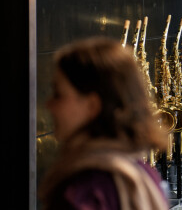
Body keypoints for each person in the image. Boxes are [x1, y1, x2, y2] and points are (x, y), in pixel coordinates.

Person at [38, 37, 168, 210]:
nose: (49, 105)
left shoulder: (85, 191)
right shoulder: (142, 172)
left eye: (58, 94)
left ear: (92, 106)